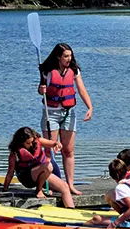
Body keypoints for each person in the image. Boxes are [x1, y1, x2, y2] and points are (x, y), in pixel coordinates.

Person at [37, 43, 93, 196]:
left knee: (68, 151)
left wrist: (89, 107)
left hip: (69, 113)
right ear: (58, 57)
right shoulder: (47, 70)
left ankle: (70, 185)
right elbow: (40, 89)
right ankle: (45, 186)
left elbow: (81, 89)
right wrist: (41, 90)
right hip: (51, 114)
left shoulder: (74, 70)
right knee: (49, 151)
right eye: (66, 56)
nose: (69, 59)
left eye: (70, 56)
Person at [2, 126, 74, 208]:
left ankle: (71, 210)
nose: (31, 145)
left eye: (32, 142)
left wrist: (57, 144)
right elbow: (10, 174)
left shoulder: (37, 140)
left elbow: (52, 143)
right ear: (21, 142)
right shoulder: (15, 154)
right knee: (48, 166)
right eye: (28, 143)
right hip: (27, 178)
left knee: (64, 187)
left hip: (42, 173)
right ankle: (38, 190)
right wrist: (4, 190)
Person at [87, 159, 130, 229]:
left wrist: (115, 223)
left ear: (112, 175)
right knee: (110, 195)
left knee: (96, 219)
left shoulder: (120, 188)